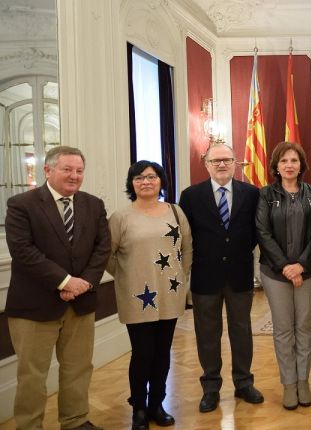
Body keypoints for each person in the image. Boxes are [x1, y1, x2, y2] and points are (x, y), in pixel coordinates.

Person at [4, 146, 110, 430]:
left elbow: (102, 249)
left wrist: (83, 283)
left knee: (78, 368)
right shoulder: (21, 204)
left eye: (79, 170)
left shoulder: (93, 204)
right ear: (48, 170)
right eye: (67, 169)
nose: (74, 176)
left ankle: (75, 421)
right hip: (34, 306)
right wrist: (65, 282)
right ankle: (29, 425)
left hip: (81, 302)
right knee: (32, 375)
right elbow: (23, 251)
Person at [107, 161, 192, 429]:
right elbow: (108, 256)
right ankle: (139, 409)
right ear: (131, 183)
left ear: (161, 181)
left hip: (170, 293)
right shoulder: (121, 217)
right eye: (139, 177)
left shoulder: (176, 212)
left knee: (162, 352)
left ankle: (157, 403)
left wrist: (179, 274)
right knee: (142, 353)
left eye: (152, 177)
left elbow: (187, 249)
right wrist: (129, 275)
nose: (146, 182)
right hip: (136, 296)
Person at [178, 143, 262, 412]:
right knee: (207, 334)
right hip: (205, 275)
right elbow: (185, 236)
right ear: (206, 164)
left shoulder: (251, 194)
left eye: (227, 160)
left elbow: (255, 233)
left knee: (241, 330)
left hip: (239, 273)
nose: (222, 165)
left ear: (236, 163)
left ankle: (243, 383)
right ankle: (211, 387)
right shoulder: (190, 196)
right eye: (216, 161)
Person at [255, 142, 311, 410]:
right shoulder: (265, 195)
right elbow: (263, 233)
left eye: (294, 160)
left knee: (305, 327)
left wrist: (302, 265)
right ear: (276, 166)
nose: (289, 165)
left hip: (308, 272)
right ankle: (288, 384)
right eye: (284, 161)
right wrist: (285, 266)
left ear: (301, 165)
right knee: (283, 329)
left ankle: (303, 381)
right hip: (275, 273)